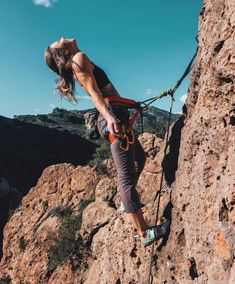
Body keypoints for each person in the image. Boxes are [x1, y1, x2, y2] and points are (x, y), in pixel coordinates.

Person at [44, 37, 170, 246]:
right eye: (58, 42)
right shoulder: (78, 58)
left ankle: (126, 201)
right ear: (63, 53)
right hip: (113, 117)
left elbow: (107, 93)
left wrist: (131, 104)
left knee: (140, 157)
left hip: (116, 112)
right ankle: (144, 232)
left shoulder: (80, 59)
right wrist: (111, 117)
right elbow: (95, 94)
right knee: (126, 178)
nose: (61, 38)